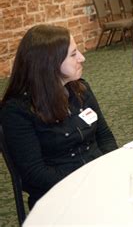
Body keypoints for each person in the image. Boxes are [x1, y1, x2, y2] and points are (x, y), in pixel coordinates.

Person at [0, 25, 118, 209]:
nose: (82, 58)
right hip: (58, 195)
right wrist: (86, 182)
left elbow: (105, 136)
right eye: (73, 54)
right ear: (49, 62)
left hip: (97, 181)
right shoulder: (17, 110)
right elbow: (35, 173)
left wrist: (109, 168)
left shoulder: (80, 90)